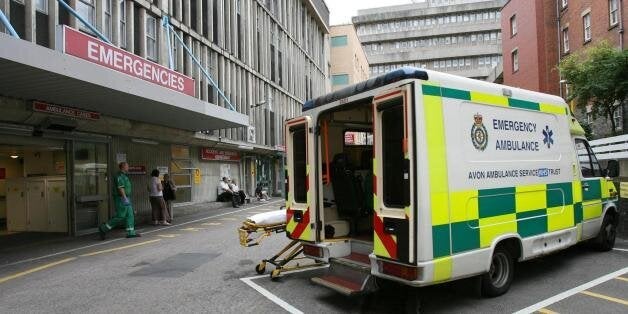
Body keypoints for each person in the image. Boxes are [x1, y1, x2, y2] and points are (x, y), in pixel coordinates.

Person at [98, 162, 141, 240]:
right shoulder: (119, 176)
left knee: (130, 215)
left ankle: (131, 232)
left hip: (126, 197)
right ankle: (104, 228)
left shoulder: (124, 176)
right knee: (120, 216)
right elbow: (120, 188)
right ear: (123, 167)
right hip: (121, 198)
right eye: (127, 166)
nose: (128, 167)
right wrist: (124, 198)